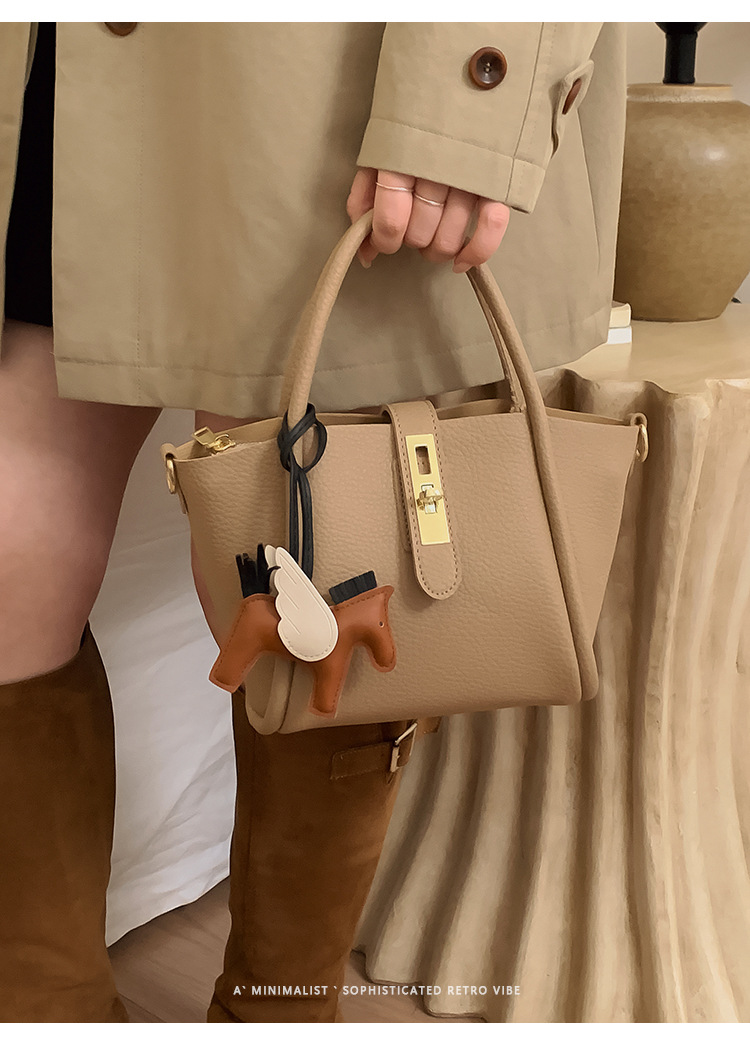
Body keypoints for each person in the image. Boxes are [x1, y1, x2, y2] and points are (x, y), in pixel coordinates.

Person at [0, 22, 626, 1022]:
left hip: (314, 72)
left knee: (326, 546)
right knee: (15, 557)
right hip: (58, 61)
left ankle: (277, 1013)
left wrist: (472, 80)